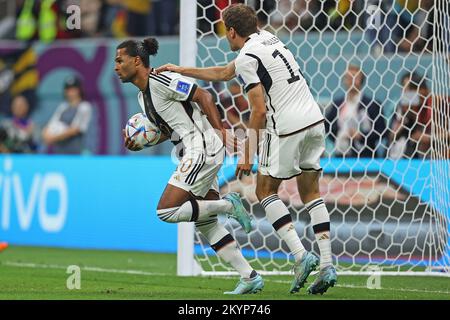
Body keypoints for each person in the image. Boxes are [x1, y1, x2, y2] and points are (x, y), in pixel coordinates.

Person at [156, 3, 337, 295]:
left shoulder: (246, 57)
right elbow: (225, 72)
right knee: (311, 193)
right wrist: (181, 69)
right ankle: (327, 264)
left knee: (265, 190)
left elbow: (259, 111)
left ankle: (302, 256)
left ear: (231, 31)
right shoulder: (270, 39)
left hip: (287, 125)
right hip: (315, 120)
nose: (224, 37)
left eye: (223, 32)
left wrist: (247, 154)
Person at [114, 37, 264, 294]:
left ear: (136, 61)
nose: (116, 67)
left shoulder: (160, 80)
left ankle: (229, 204)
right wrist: (143, 142)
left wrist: (219, 131)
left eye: (120, 60)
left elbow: (203, 95)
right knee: (205, 222)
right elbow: (168, 129)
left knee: (167, 211)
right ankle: (249, 277)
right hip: (195, 147)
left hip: (201, 145)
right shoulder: (143, 98)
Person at [325, 64, 386, 158]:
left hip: (366, 157)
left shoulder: (372, 105)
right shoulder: (337, 104)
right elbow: (327, 127)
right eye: (348, 77)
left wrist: (361, 135)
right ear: (344, 80)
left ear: (361, 80)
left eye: (355, 77)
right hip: (341, 156)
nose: (352, 80)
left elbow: (382, 131)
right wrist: (340, 136)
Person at [42, 76, 92, 154]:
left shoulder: (85, 107)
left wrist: (53, 138)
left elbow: (74, 129)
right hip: (60, 152)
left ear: (79, 90)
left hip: (76, 153)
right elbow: (51, 123)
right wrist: (45, 135)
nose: (71, 92)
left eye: (73, 89)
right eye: (68, 89)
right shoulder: (63, 107)